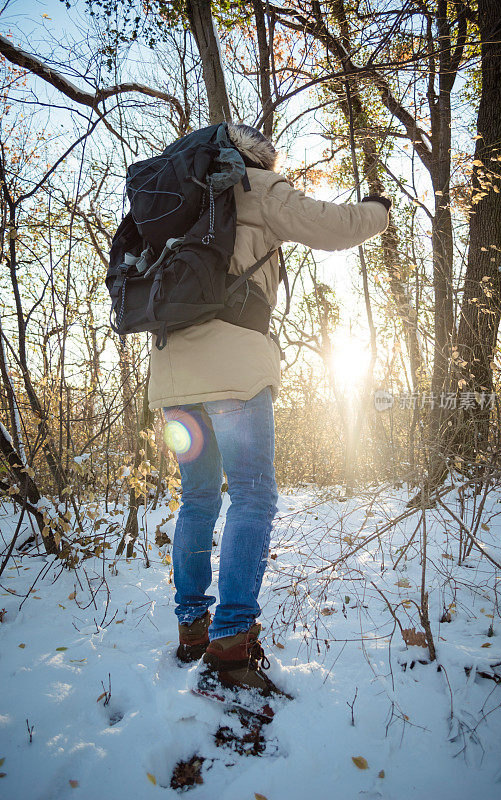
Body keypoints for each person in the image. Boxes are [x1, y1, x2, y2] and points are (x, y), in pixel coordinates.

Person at [147, 123, 390, 697]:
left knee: (198, 498)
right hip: (235, 369)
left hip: (171, 375)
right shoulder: (256, 186)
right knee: (252, 495)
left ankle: (191, 629)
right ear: (255, 156)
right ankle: (231, 639)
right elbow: (335, 227)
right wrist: (378, 209)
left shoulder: (174, 199)